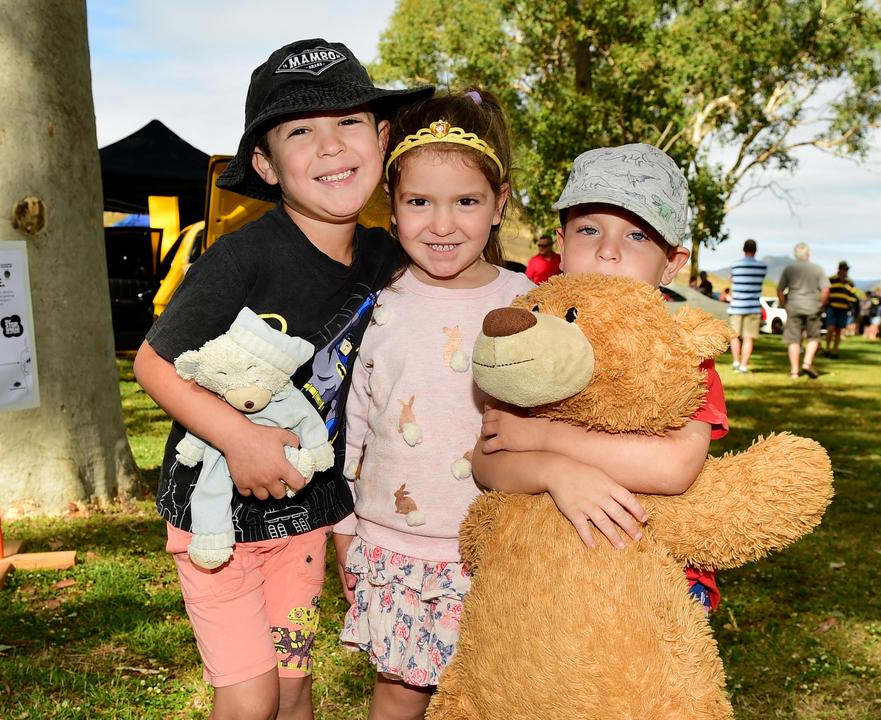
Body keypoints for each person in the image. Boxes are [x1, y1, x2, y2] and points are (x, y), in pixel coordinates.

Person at [132, 39, 430, 720]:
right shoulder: (243, 255)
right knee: (250, 698)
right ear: (265, 164)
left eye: (349, 123)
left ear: (382, 139)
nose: (330, 145)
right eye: (301, 130)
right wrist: (239, 439)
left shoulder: (387, 255)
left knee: (294, 686)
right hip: (217, 525)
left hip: (303, 521)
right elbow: (153, 362)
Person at [330, 88, 534, 720]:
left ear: (498, 206)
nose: (442, 225)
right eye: (420, 202)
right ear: (390, 207)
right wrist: (345, 536)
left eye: (466, 202)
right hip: (396, 550)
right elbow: (354, 421)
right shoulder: (377, 302)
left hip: (500, 544)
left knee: (495, 695)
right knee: (399, 692)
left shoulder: (529, 301)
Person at [473, 143, 729, 612]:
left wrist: (542, 435)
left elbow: (674, 468)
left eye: (637, 236)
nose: (608, 251)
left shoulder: (683, 353)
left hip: (658, 571)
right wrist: (554, 472)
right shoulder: (534, 336)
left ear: (672, 262)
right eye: (589, 229)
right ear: (562, 243)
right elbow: (487, 464)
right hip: (545, 571)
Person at [776, 243, 829, 379]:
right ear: (808, 254)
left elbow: (780, 289)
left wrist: (785, 305)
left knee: (793, 339)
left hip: (793, 306)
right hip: (812, 307)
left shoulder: (789, 269)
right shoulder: (817, 269)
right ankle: (807, 363)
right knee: (813, 337)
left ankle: (794, 371)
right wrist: (821, 305)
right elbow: (826, 289)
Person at [727, 238, 766, 373]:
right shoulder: (762, 266)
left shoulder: (735, 265)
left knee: (734, 336)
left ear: (743, 249)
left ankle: (736, 362)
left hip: (736, 305)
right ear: (755, 250)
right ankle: (744, 365)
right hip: (753, 306)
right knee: (748, 337)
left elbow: (732, 279)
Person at [824, 260, 857, 357]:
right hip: (832, 307)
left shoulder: (850, 283)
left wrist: (850, 304)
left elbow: (852, 296)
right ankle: (827, 348)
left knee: (839, 330)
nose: (844, 271)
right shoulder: (831, 279)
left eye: (846, 270)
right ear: (839, 269)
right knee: (831, 328)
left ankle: (835, 350)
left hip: (843, 309)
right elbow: (826, 291)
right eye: (843, 269)